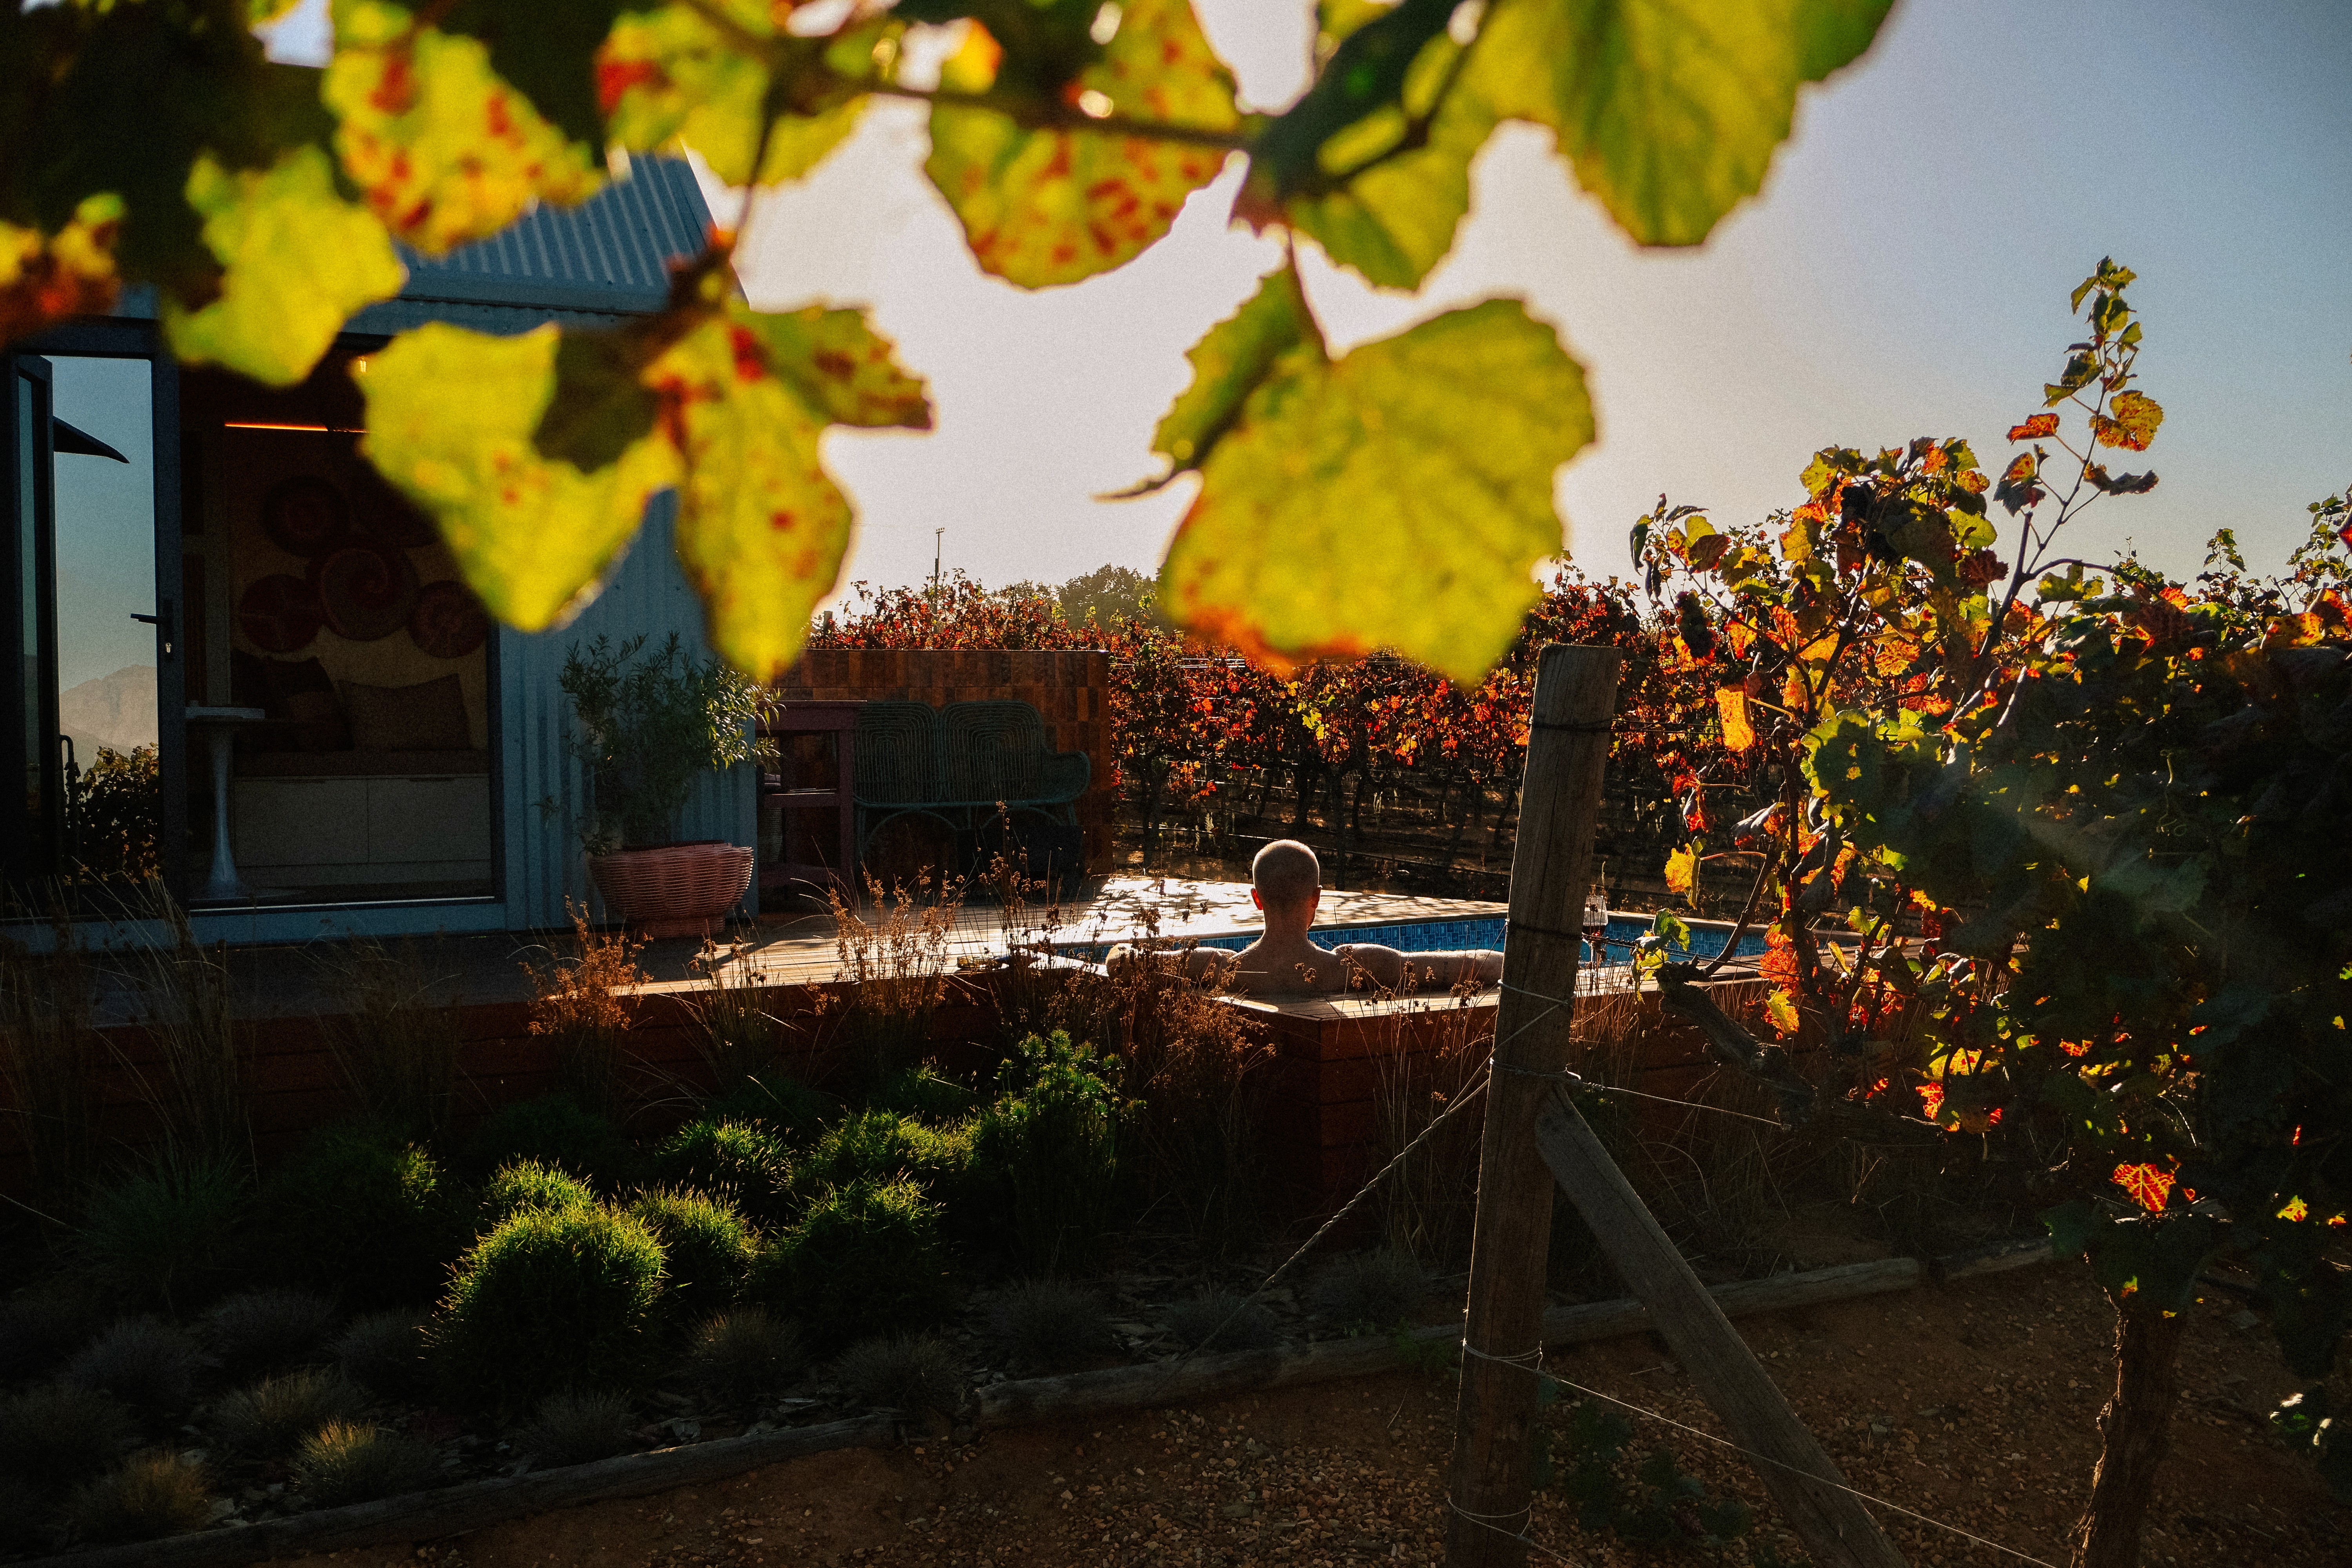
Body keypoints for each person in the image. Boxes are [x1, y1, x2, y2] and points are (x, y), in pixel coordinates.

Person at [1106, 840, 1503, 997]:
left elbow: (1123, 962)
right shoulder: (1354, 967)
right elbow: (1460, 967)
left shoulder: (1219, 967)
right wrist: (1502, 959)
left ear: (1256, 899)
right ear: (1316, 898)